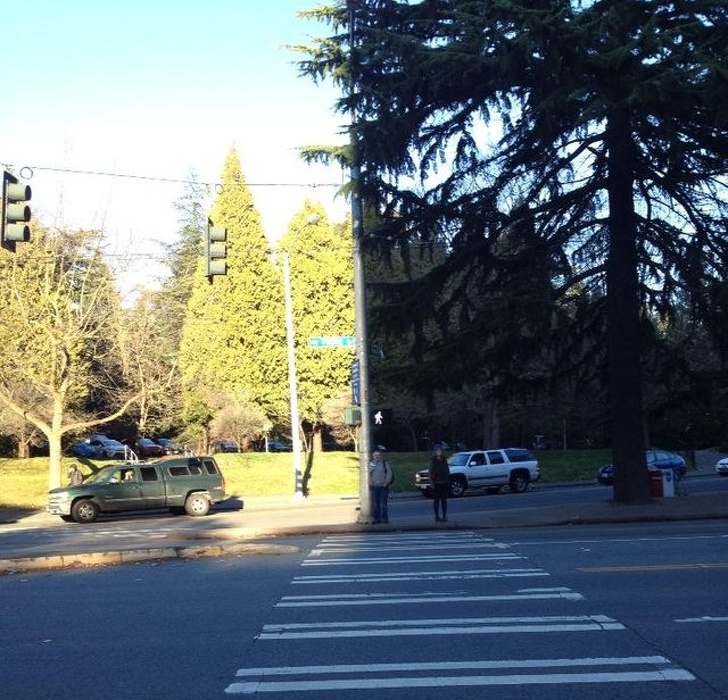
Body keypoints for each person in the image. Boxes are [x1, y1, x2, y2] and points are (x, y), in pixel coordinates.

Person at [368, 450, 394, 524]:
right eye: (375, 455)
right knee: (376, 504)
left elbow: (389, 473)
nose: (377, 456)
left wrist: (386, 482)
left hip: (383, 486)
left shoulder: (384, 463)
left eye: (378, 455)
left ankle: (385, 519)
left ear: (380, 456)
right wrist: (370, 483)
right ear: (373, 456)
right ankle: (377, 519)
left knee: (383, 504)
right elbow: (368, 474)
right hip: (375, 487)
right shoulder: (370, 464)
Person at [429, 445, 450, 522]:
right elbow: (430, 471)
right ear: (435, 452)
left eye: (440, 450)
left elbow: (447, 470)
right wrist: (431, 482)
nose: (439, 452)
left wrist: (447, 479)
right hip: (436, 483)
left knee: (444, 500)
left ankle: (444, 516)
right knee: (437, 500)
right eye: (437, 451)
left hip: (444, 482)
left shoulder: (444, 459)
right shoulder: (433, 460)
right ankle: (437, 516)